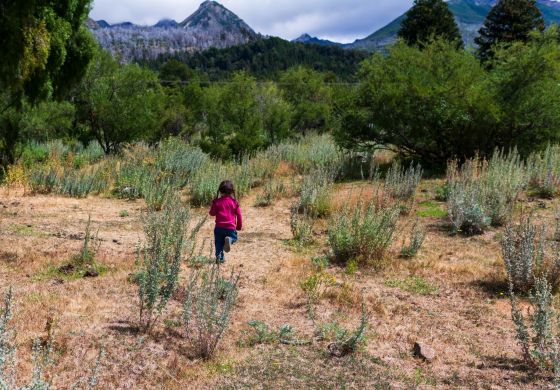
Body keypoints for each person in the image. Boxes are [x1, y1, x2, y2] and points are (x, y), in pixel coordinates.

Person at [209, 180, 243, 263]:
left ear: (220, 191)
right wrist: (238, 226)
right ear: (231, 192)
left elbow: (212, 213)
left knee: (218, 243)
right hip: (230, 228)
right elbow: (239, 215)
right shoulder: (234, 202)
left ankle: (219, 258)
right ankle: (230, 240)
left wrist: (213, 204)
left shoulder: (217, 202)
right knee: (234, 238)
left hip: (219, 228)